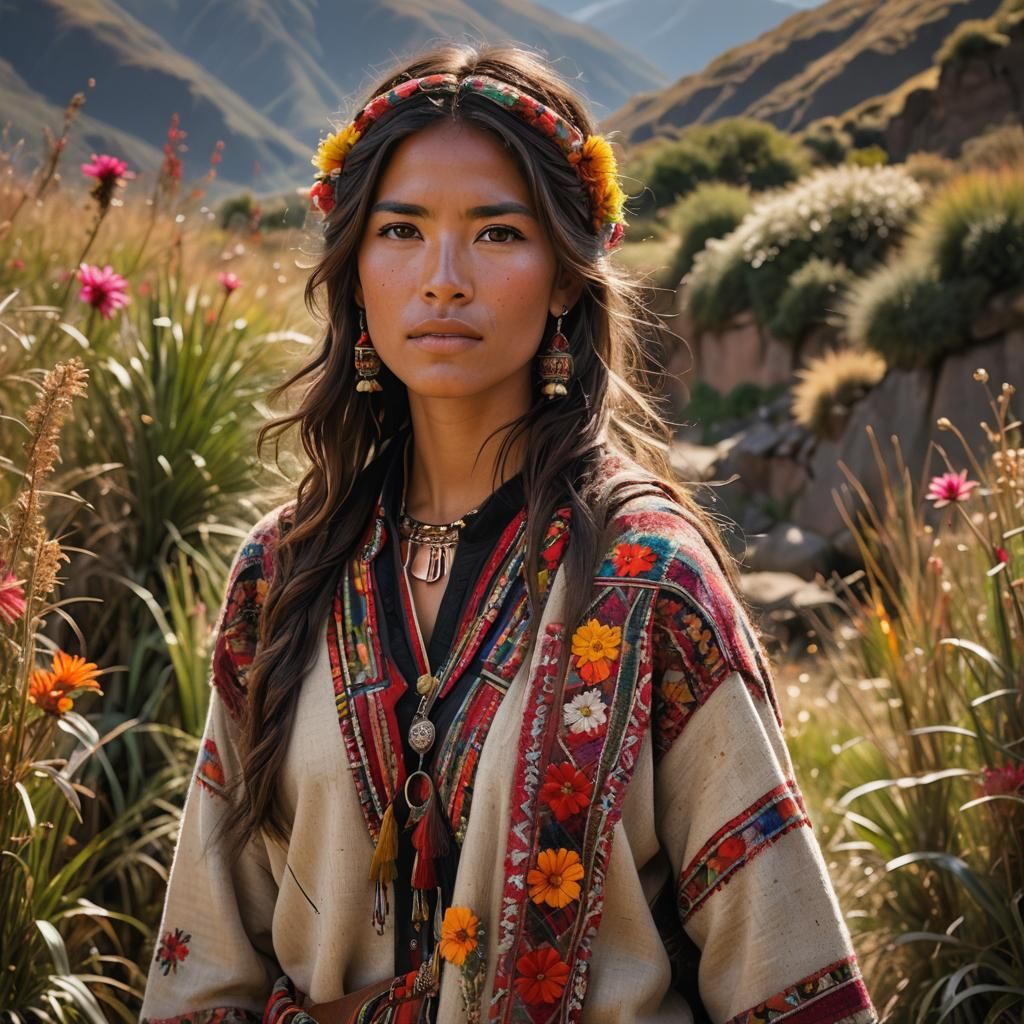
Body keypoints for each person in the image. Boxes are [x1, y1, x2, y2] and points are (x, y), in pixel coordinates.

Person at [140, 43, 878, 1024]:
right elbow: (204, 962)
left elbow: (783, 972)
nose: (442, 278)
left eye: (497, 233)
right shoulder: (280, 575)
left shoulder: (645, 583)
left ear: (568, 276)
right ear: (356, 267)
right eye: (400, 229)